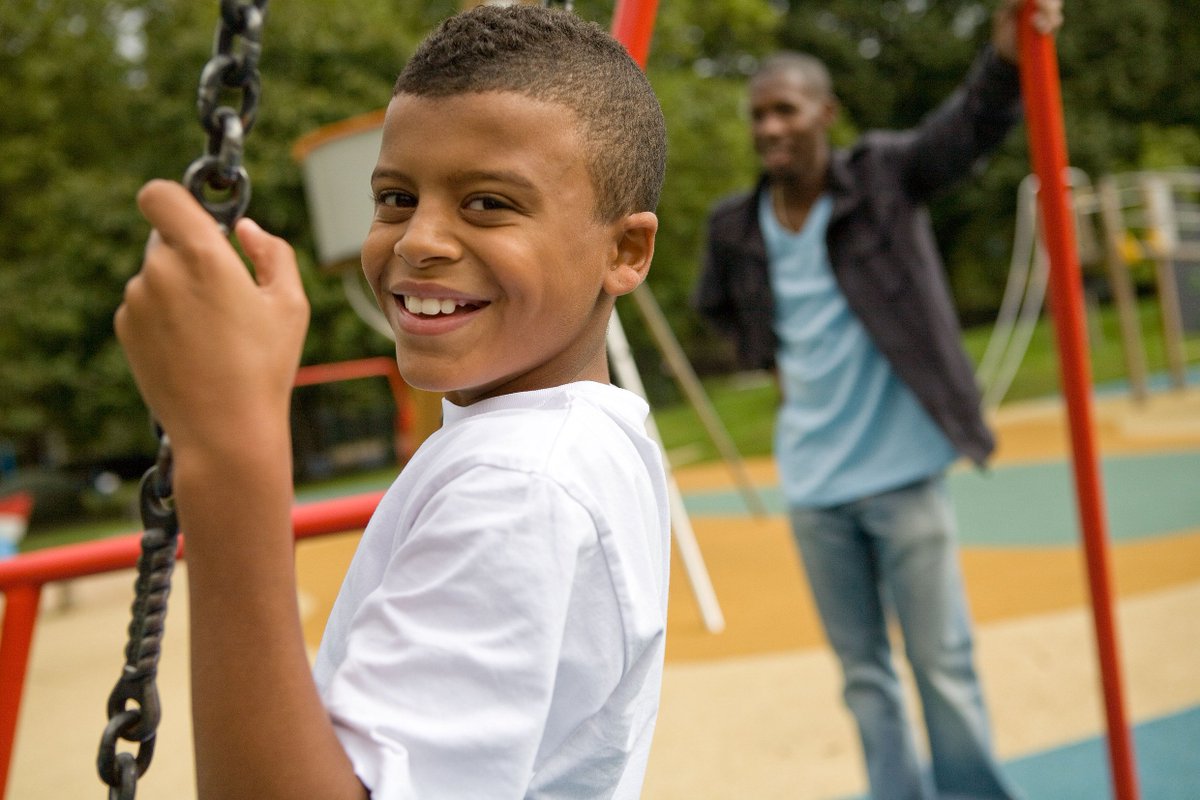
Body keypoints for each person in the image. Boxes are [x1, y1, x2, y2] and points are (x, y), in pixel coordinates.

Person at [114, 6, 670, 799]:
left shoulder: (520, 489)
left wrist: (226, 451)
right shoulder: (568, 441)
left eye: (488, 203)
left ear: (625, 251)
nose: (417, 241)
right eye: (396, 198)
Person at [693, 1, 1063, 798]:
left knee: (941, 662)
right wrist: (770, 358)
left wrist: (1002, 59)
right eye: (758, 115)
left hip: (901, 473)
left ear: (824, 113)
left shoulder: (883, 180)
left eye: (785, 110)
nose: (769, 129)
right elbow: (713, 303)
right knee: (863, 675)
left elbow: (965, 132)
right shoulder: (737, 227)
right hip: (814, 486)